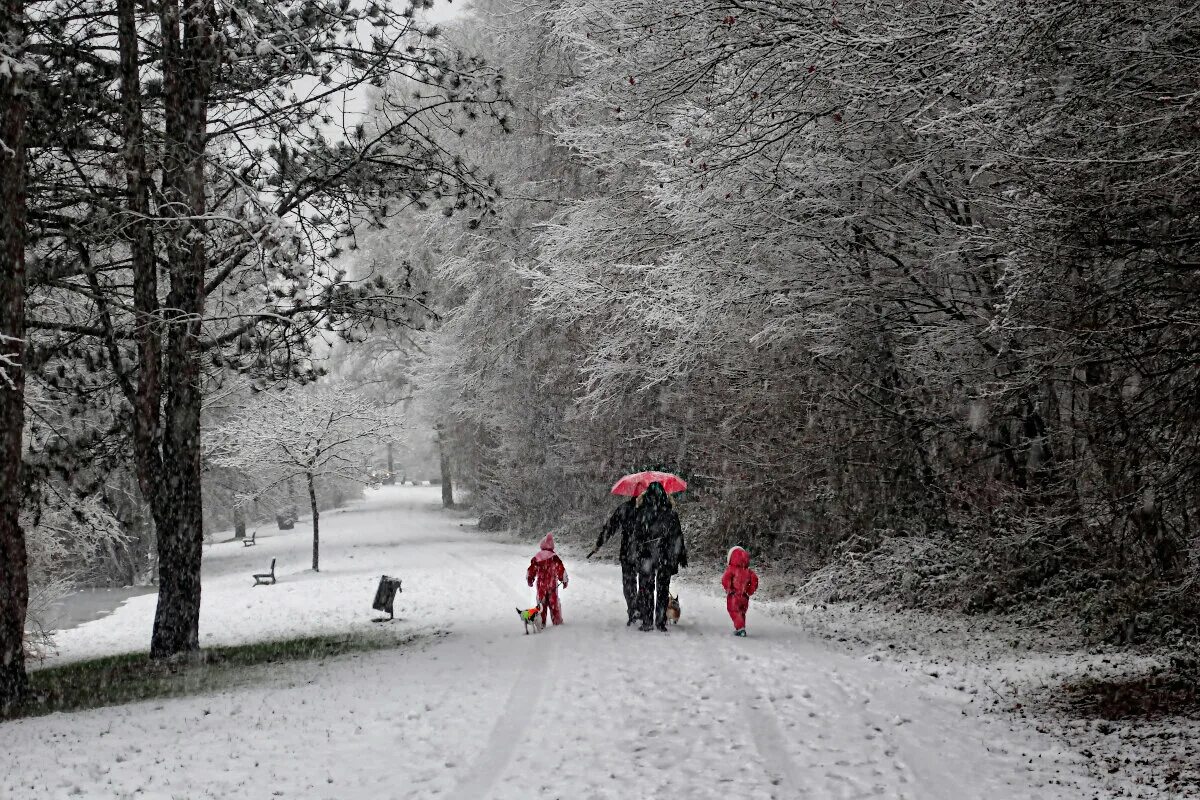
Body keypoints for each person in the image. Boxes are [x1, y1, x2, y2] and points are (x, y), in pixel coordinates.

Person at [634, 481, 687, 632]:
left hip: (647, 557)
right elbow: (678, 537)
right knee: (663, 590)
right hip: (665, 557)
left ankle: (647, 622)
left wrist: (639, 551)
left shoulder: (642, 513)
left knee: (646, 589)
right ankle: (660, 622)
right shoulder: (671, 514)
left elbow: (637, 537)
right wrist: (680, 556)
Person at [588, 495, 641, 625]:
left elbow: (610, 527)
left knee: (629, 583)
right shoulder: (650, 509)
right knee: (645, 583)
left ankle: (633, 609)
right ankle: (642, 610)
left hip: (628, 552)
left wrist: (598, 544)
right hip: (644, 553)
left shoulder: (624, 508)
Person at [527, 533, 568, 626]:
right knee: (554, 603)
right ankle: (557, 621)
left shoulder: (537, 557)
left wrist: (530, 578)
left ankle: (541, 622)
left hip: (541, 585)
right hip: (552, 585)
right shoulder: (554, 557)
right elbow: (561, 569)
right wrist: (564, 580)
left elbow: (531, 570)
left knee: (541, 604)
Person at [721, 546, 759, 636]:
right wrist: (749, 591)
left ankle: (740, 628)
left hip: (734, 596)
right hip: (744, 596)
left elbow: (725, 579)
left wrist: (729, 588)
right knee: (741, 612)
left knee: (734, 611)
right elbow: (755, 581)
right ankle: (741, 628)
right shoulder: (748, 571)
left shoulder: (731, 570)